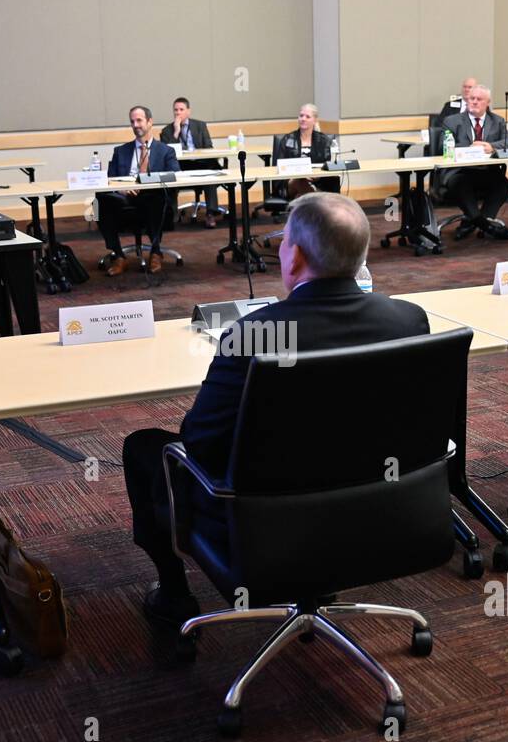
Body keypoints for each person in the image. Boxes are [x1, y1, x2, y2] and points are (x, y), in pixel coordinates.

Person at [121, 192, 431, 625]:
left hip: (265, 519)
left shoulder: (257, 334)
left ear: (296, 257)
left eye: (284, 243)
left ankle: (173, 595)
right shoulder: (410, 320)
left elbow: (201, 443)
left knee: (144, 447)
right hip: (380, 506)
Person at [98, 105, 181, 277]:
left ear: (150, 122)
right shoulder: (120, 151)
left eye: (139, 120)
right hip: (124, 198)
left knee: (154, 199)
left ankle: (156, 252)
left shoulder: (166, 151)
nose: (135, 125)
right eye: (132, 121)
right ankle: (119, 255)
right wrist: (123, 189)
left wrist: (146, 183)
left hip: (151, 197)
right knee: (98, 201)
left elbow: (175, 175)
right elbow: (108, 180)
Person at [434, 84, 508, 239]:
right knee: (462, 183)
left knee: (503, 183)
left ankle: (477, 222)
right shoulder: (451, 121)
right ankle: (485, 225)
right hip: (459, 171)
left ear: (488, 102)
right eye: (472, 98)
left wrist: (490, 146)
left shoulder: (497, 121)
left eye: (479, 99)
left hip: (486, 171)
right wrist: (471, 148)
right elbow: (442, 147)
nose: (475, 102)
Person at [159, 96, 219, 229]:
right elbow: (167, 154)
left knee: (210, 175)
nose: (178, 113)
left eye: (181, 109)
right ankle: (172, 216)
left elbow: (209, 147)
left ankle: (210, 213)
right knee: (170, 176)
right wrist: (176, 132)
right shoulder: (167, 131)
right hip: (180, 166)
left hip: (200, 163)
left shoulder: (200, 126)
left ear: (188, 111)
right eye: (175, 110)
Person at [274, 104, 340, 197]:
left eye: (307, 117)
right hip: (291, 182)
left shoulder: (323, 140)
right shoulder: (287, 139)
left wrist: (317, 176)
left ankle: (306, 201)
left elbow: (327, 164)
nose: (303, 119)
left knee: (301, 195)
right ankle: (317, 199)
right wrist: (299, 175)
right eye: (301, 116)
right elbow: (278, 166)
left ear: (315, 120)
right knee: (300, 181)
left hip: (318, 181)